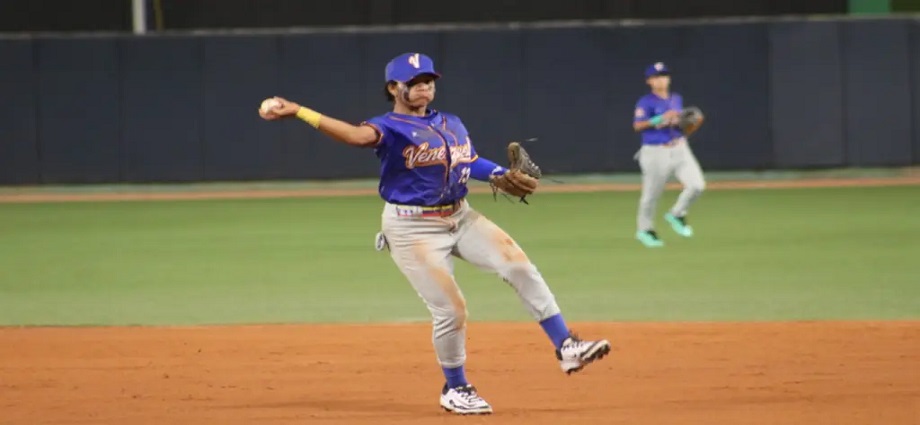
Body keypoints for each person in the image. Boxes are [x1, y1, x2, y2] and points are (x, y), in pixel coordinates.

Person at [258, 52, 611, 415]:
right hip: (413, 228)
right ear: (394, 88)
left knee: (519, 266)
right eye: (415, 82)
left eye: (429, 80)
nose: (424, 86)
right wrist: (300, 111)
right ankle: (455, 388)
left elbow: (469, 161)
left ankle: (566, 346)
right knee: (451, 309)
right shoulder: (388, 126)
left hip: (461, 216)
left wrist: (497, 174)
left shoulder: (451, 122)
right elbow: (354, 136)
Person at [632, 62, 706, 248]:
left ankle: (676, 213)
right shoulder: (645, 102)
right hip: (655, 151)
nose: (661, 80)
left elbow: (680, 126)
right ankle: (644, 230)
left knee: (697, 185)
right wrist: (660, 118)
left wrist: (689, 126)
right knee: (651, 194)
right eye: (656, 77)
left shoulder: (676, 99)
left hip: (680, 148)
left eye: (664, 75)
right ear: (649, 81)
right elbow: (637, 126)